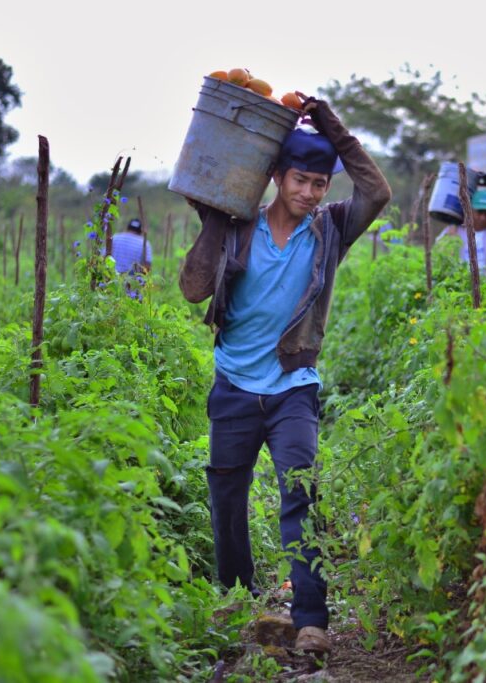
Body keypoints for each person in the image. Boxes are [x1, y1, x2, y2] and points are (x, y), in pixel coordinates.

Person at [178, 97, 391, 656]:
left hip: (294, 386)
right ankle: (240, 602)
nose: (311, 193)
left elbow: (378, 191)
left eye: (321, 183)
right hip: (234, 386)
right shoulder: (238, 226)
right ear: (276, 176)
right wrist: (212, 221)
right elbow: (193, 289)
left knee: (302, 494)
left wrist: (330, 125)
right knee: (226, 497)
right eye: (302, 180)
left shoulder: (331, 230)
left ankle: (312, 619)